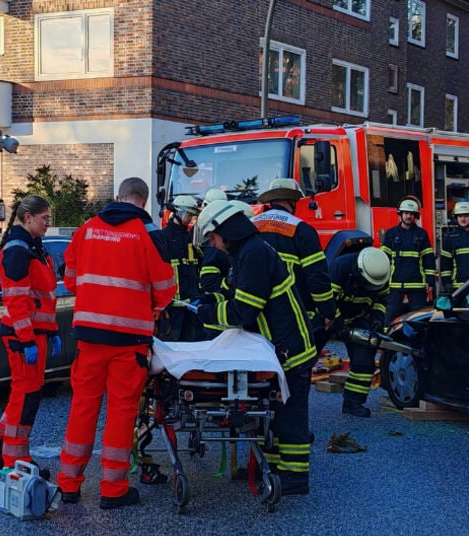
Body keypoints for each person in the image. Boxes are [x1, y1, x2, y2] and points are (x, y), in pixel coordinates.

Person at [57, 177, 176, 509]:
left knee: (83, 407)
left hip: (89, 335)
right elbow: (166, 289)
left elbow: (69, 279)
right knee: (122, 412)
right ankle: (113, 489)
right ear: (143, 201)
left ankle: (68, 484)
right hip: (129, 340)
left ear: (118, 197)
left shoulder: (87, 229)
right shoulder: (147, 233)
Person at [190, 199, 317, 495]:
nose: (213, 243)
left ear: (227, 231)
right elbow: (237, 294)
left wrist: (206, 314)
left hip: (290, 351)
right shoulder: (248, 252)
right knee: (275, 413)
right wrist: (211, 300)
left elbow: (244, 311)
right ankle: (269, 469)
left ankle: (295, 478)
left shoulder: (254, 253)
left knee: (290, 417)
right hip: (278, 349)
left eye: (213, 237)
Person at [0, 195, 62, 473]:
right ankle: (15, 461)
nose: (48, 223)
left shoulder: (33, 247)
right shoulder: (20, 250)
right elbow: (16, 301)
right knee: (26, 397)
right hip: (24, 337)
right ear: (28, 218)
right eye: (44, 218)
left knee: (23, 394)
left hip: (33, 334)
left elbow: (42, 297)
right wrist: (28, 340)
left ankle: (1, 447)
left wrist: (51, 331)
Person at [254, 178, 336, 351]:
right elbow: (317, 275)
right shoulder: (302, 229)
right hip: (292, 311)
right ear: (293, 201)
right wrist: (327, 310)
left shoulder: (252, 225)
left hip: (255, 310)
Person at [329, 247, 390, 418]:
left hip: (358, 316)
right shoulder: (340, 268)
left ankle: (353, 403)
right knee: (306, 359)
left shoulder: (381, 272)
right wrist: (338, 325)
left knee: (364, 360)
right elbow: (327, 301)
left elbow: (383, 298)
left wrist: (378, 317)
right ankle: (294, 405)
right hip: (328, 316)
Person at [155, 194, 204, 341]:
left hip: (192, 304)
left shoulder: (190, 237)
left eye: (192, 215)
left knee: (191, 344)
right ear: (177, 212)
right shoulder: (163, 237)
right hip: (172, 306)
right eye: (188, 214)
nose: (190, 218)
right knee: (172, 344)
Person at [381, 196, 435, 326]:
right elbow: (384, 259)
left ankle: (419, 344)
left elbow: (428, 258)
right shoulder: (390, 233)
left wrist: (430, 280)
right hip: (395, 284)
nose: (408, 216)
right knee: (390, 317)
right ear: (400, 214)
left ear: (415, 215)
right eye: (406, 213)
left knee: (419, 318)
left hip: (417, 285)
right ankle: (385, 342)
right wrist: (381, 281)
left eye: (411, 214)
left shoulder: (422, 234)